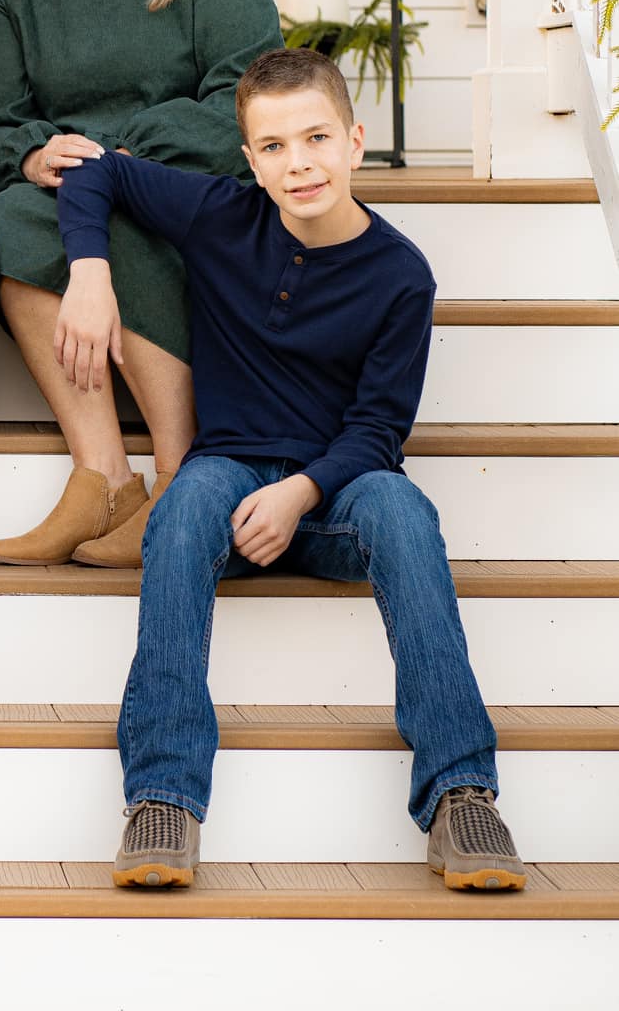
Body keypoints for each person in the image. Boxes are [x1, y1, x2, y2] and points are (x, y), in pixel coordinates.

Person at [56, 45, 526, 894]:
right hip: (230, 478)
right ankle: (162, 797)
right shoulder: (221, 215)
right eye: (274, 147)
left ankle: (462, 792)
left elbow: (378, 430)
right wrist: (90, 272)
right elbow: (96, 175)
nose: (298, 162)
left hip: (339, 495)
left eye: (315, 138)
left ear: (353, 141)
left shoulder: (399, 276)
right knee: (183, 505)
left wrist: (302, 489)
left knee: (403, 510)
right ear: (250, 161)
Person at [0, 0, 281, 569]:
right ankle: (102, 476)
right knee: (11, 214)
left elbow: (251, 87)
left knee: (128, 209)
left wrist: (127, 155)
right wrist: (33, 157)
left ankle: (180, 473)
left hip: (190, 174)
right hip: (72, 201)